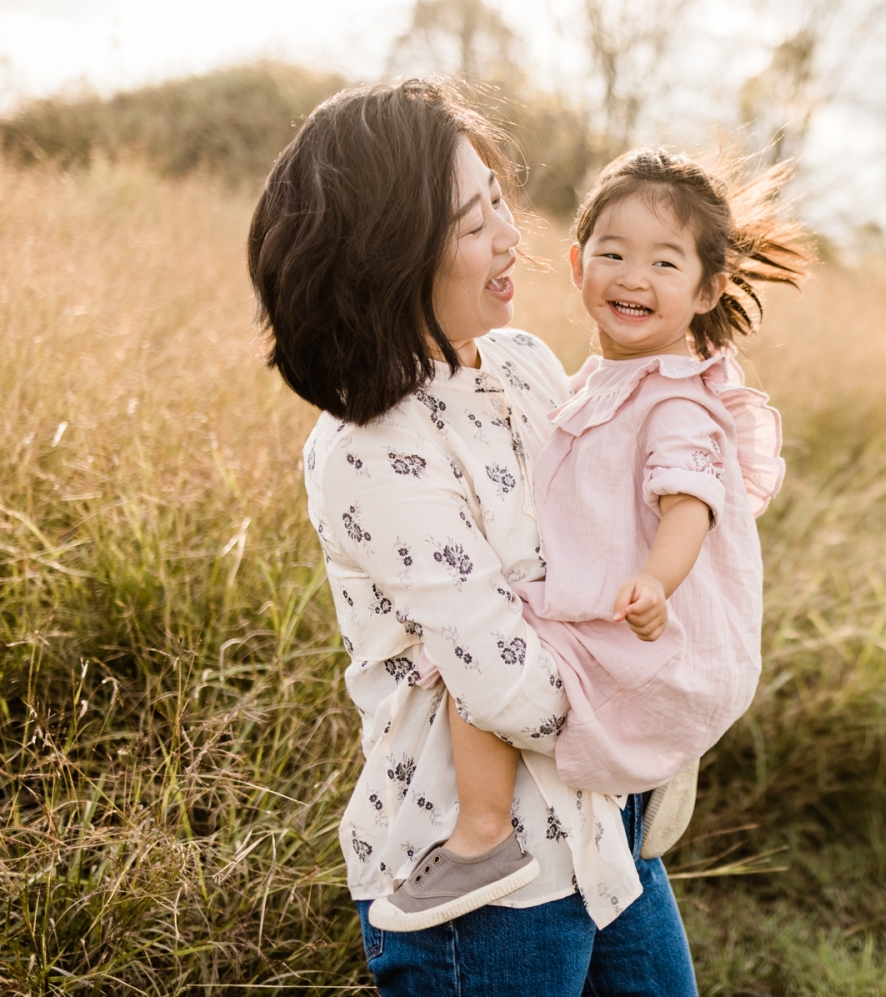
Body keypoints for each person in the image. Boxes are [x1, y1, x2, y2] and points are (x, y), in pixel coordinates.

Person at [247, 78, 698, 996]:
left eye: (499, 197)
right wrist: (659, 704)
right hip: (485, 897)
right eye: (471, 219)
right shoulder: (371, 448)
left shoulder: (526, 363)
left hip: (602, 833)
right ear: (391, 254)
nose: (509, 237)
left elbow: (612, 524)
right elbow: (504, 684)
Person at [367, 147, 809, 932]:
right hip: (624, 610)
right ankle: (639, 771)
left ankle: (482, 835)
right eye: (612, 253)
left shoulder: (675, 398)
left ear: (707, 290)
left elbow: (690, 506)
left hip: (646, 618)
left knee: (475, 662)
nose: (632, 277)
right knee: (490, 639)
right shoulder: (588, 379)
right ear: (576, 265)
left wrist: (656, 583)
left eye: (664, 263)